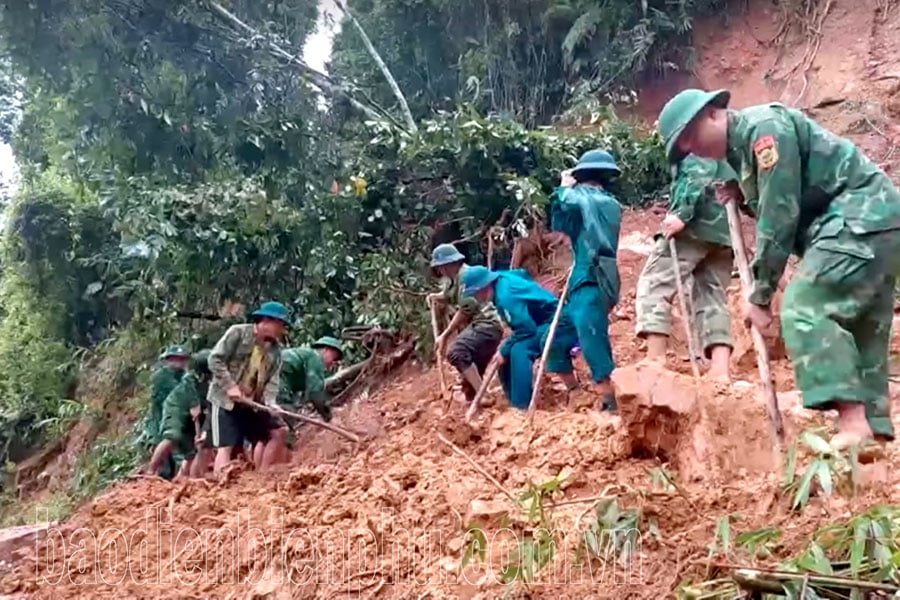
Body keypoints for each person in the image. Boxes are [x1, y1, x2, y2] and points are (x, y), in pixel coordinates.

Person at [657, 87, 900, 450]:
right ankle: (871, 436)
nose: (690, 148)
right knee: (861, 325)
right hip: (880, 221)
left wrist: (760, 293)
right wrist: (741, 191)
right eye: (683, 147)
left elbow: (779, 214)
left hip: (857, 218)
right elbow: (784, 192)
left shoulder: (764, 130)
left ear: (712, 113)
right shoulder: (743, 153)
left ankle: (854, 425)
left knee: (805, 307)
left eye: (689, 136)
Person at [635, 154, 737, 382]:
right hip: (724, 232)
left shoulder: (695, 146)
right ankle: (720, 371)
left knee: (654, 283)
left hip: (693, 228)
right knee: (712, 297)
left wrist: (682, 213)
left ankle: (655, 358)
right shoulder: (724, 146)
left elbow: (697, 173)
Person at [549, 149, 622, 411]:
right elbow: (561, 223)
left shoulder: (592, 200)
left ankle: (610, 399)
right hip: (586, 280)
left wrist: (564, 186)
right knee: (556, 336)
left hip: (591, 278)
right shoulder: (604, 203)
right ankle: (575, 391)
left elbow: (569, 203)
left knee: (592, 339)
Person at [460, 265, 578, 410]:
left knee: (519, 350)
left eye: (475, 294)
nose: (475, 298)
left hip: (557, 321)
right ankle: (513, 399)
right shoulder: (502, 277)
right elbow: (522, 273)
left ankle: (521, 407)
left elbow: (526, 330)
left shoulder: (505, 297)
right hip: (538, 322)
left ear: (484, 287)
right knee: (508, 352)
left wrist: (504, 350)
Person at [206, 301, 289, 473]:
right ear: (266, 321)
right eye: (280, 324)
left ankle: (262, 476)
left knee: (278, 431)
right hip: (224, 401)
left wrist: (271, 403)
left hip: (251, 403)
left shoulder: (275, 351)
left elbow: (272, 381)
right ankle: (221, 490)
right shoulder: (237, 333)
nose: (282, 330)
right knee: (226, 445)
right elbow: (215, 359)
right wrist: (230, 386)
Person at [427, 244, 504, 405]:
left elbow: (465, 310)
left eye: (441, 267)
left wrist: (445, 335)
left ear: (449, 265)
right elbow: (449, 295)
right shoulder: (454, 279)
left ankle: (485, 395)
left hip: (487, 325)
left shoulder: (466, 277)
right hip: (482, 326)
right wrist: (436, 297)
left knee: (457, 352)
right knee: (469, 387)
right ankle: (479, 404)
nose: (441, 271)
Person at [273, 336, 344, 463]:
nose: (333, 363)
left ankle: (263, 468)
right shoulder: (315, 358)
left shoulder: (303, 357)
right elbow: (314, 393)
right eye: (334, 358)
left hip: (269, 380)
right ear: (326, 350)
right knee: (284, 425)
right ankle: (278, 465)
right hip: (277, 383)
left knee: (267, 429)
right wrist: (328, 417)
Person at [145, 350, 212, 479]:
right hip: (176, 408)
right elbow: (191, 393)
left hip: (190, 415)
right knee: (172, 436)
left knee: (192, 450)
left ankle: (185, 478)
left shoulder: (206, 379)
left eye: (182, 359)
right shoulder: (189, 377)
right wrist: (194, 404)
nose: (180, 362)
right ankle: (151, 470)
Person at [140, 345, 190, 478]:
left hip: (176, 423)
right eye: (174, 359)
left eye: (181, 359)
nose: (178, 362)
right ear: (167, 360)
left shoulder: (183, 375)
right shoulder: (162, 376)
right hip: (160, 424)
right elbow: (181, 394)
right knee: (165, 466)